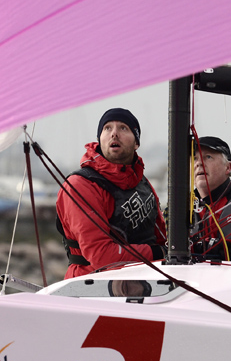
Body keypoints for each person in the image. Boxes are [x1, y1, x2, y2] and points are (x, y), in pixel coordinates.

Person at [56, 108, 167, 279]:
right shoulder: (80, 185)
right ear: (99, 140)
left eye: (123, 128)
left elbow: (161, 236)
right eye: (107, 128)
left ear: (136, 143)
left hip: (144, 279)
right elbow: (102, 255)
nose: (114, 134)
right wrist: (159, 252)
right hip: (93, 284)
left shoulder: (141, 181)